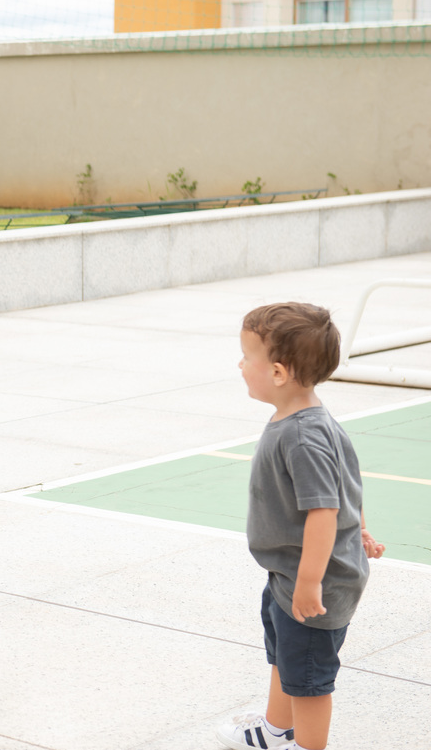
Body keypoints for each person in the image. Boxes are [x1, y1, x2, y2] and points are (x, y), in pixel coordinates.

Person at [217, 303, 385, 750]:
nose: (240, 365)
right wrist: (359, 529)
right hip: (289, 574)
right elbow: (347, 483)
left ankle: (307, 746)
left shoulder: (302, 436)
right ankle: (275, 729)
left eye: (246, 357)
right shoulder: (304, 420)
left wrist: (310, 583)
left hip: (312, 584)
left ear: (277, 372)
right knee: (286, 659)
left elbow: (324, 511)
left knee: (309, 679)